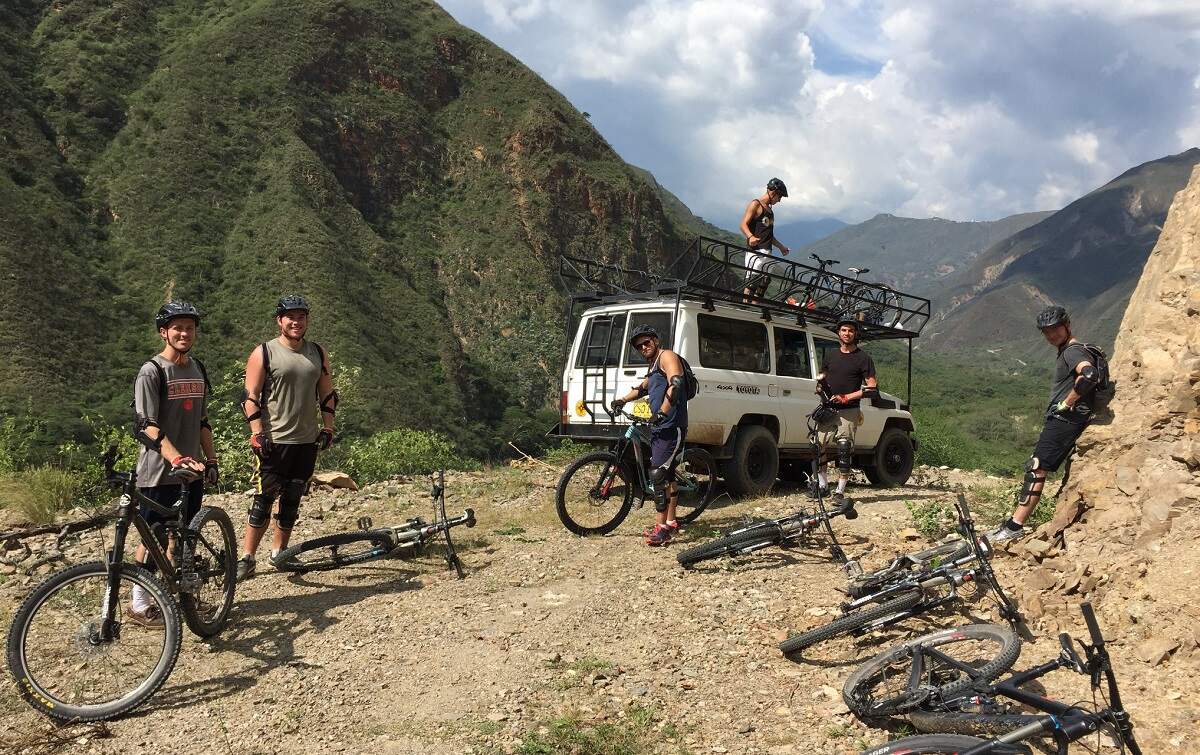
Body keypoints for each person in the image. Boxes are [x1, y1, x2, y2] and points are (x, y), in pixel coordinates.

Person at [129, 301, 217, 627]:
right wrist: (176, 457)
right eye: (177, 328)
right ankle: (139, 605)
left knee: (183, 537)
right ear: (163, 331)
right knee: (150, 538)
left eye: (189, 328)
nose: (184, 333)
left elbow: (202, 420)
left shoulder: (197, 369)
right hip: (157, 473)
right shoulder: (151, 371)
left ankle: (177, 599)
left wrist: (211, 459)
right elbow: (145, 425)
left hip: (190, 473)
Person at [237, 295, 337, 580]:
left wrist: (328, 427)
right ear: (279, 320)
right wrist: (257, 433)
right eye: (290, 317)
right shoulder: (264, 353)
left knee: (292, 498)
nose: (296, 322)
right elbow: (250, 396)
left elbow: (327, 394)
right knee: (263, 500)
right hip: (274, 440)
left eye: (301, 317)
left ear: (307, 320)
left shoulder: (317, 352)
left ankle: (278, 553)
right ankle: (248, 556)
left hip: (305, 440)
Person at [989, 306, 1097, 543]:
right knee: (1037, 467)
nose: (1051, 335)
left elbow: (1088, 375)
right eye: (1046, 332)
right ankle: (1013, 524)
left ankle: (1014, 526)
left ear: (1067, 326)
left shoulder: (1072, 352)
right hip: (1067, 418)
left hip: (1065, 419)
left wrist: (1068, 402)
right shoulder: (1070, 350)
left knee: (1036, 469)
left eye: (1055, 329)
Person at [609, 325, 689, 546]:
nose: (643, 347)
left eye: (646, 342)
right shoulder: (653, 366)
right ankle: (671, 522)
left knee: (657, 476)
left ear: (655, 340)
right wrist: (622, 400)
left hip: (672, 426)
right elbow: (643, 388)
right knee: (668, 475)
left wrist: (663, 412)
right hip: (659, 427)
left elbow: (676, 382)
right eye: (639, 346)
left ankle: (662, 529)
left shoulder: (667, 356)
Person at [814, 318, 877, 504]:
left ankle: (840, 491)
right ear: (838, 332)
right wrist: (820, 387)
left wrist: (847, 397)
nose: (846, 333)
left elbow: (871, 387)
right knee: (817, 447)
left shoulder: (863, 358)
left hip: (849, 410)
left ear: (855, 334)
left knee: (844, 448)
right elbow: (822, 376)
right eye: (843, 330)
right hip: (828, 408)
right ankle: (822, 485)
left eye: (850, 330)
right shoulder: (831, 355)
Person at [739, 177, 792, 302]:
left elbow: (769, 234)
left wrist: (781, 247)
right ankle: (745, 306)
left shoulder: (770, 211)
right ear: (773, 193)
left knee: (764, 283)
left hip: (767, 251)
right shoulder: (756, 204)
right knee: (752, 282)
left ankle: (755, 308)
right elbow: (743, 224)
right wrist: (750, 237)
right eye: (779, 197)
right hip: (756, 251)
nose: (779, 201)